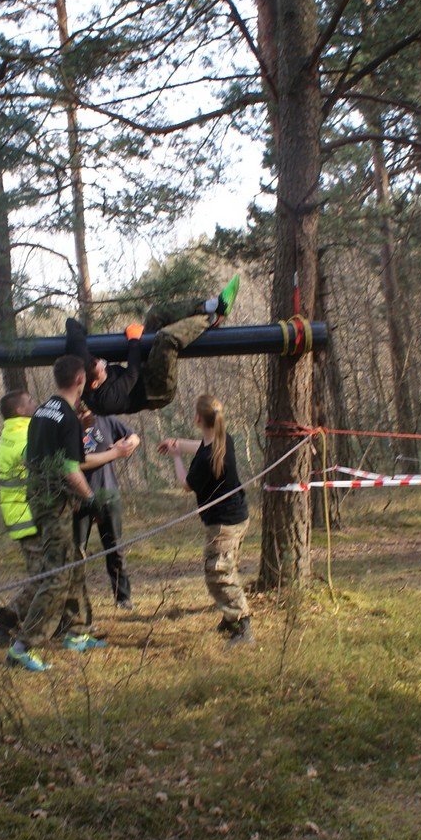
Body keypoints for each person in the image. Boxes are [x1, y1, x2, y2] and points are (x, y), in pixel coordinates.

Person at [9, 355, 139, 672]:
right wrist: (90, 499)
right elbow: (70, 468)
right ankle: (22, 647)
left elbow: (36, 456)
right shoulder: (66, 416)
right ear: (81, 380)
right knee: (57, 576)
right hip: (53, 504)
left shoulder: (43, 411)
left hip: (47, 497)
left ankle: (76, 632)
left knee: (75, 564)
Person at [0, 389, 86, 645]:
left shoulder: (12, 433)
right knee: (45, 577)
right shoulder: (22, 436)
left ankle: (64, 624)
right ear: (19, 410)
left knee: (54, 572)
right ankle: (5, 620)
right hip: (29, 517)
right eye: (30, 401)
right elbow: (50, 462)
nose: (35, 404)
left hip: (25, 515)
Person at [63, 274, 240, 416]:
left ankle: (210, 305)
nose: (103, 363)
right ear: (95, 384)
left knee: (154, 315)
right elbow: (132, 373)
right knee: (166, 339)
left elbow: (71, 323)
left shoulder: (82, 364)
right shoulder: (106, 401)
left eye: (100, 361)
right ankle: (212, 318)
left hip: (143, 368)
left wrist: (89, 336)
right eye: (102, 368)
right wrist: (133, 340)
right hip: (156, 389)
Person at [157, 394, 252, 646]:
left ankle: (242, 625)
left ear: (198, 418)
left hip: (223, 525)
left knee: (218, 574)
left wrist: (176, 457)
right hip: (237, 517)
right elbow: (201, 445)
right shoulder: (224, 439)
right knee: (226, 568)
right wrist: (177, 444)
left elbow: (186, 484)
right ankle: (230, 619)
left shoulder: (205, 459)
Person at [73, 407, 135, 610]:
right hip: (78, 498)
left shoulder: (106, 419)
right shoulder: (68, 424)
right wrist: (113, 454)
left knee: (115, 548)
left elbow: (134, 436)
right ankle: (76, 604)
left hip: (108, 494)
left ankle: (123, 598)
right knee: (76, 552)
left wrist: (126, 445)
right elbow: (75, 463)